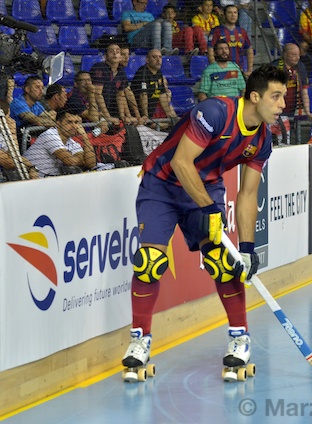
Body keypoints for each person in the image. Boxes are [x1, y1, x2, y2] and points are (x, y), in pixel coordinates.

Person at [120, 65, 288, 380]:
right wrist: (209, 208)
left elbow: (248, 194)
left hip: (206, 187)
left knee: (224, 263)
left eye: (283, 97)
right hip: (162, 184)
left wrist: (247, 248)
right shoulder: (215, 112)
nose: (282, 105)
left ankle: (240, 338)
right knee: (149, 262)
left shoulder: (262, 140)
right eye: (276, 96)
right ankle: (139, 339)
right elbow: (181, 162)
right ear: (255, 96)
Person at [24, 111, 97, 178]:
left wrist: (85, 136)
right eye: (69, 122)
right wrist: (82, 160)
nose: (74, 126)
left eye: (76, 122)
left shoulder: (72, 142)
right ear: (58, 123)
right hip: (30, 176)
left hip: (50, 179)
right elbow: (71, 162)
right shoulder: (50, 135)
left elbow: (91, 164)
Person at [131, 49, 179, 123]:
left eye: (160, 57)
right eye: (154, 57)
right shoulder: (142, 73)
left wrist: (169, 115)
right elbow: (143, 95)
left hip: (151, 113)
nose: (158, 60)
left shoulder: (159, 73)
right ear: (147, 60)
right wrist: (145, 115)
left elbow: (162, 95)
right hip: (139, 115)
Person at [90, 44, 132, 126]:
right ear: (105, 56)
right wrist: (107, 116)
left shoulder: (121, 71)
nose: (115, 53)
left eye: (117, 52)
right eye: (111, 51)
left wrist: (124, 116)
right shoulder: (99, 68)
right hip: (96, 111)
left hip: (111, 110)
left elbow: (120, 95)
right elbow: (97, 94)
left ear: (120, 57)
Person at [210, 5, 254, 75]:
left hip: (239, 71)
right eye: (229, 12)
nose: (233, 15)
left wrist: (250, 70)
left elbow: (249, 50)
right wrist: (215, 69)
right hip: (221, 71)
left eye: (235, 12)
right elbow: (210, 50)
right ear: (224, 15)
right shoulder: (216, 31)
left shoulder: (242, 32)